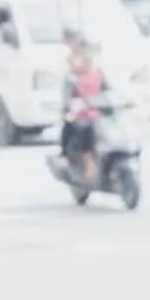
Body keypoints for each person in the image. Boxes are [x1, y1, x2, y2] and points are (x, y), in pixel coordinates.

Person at [57, 29, 108, 185]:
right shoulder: (73, 76)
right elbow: (68, 98)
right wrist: (71, 107)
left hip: (99, 114)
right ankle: (84, 164)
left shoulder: (98, 73)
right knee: (81, 130)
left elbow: (109, 90)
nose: (86, 56)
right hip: (82, 115)